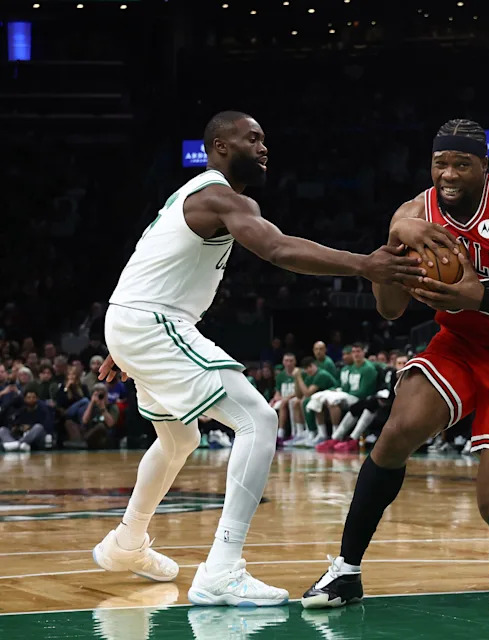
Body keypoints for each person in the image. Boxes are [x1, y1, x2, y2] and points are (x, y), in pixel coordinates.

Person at [91, 111, 420, 607]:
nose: (264, 147)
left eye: (265, 138)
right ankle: (222, 569)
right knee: (259, 420)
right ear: (221, 145)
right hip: (150, 321)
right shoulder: (219, 195)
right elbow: (278, 248)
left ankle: (127, 542)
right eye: (253, 138)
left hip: (140, 319)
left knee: (179, 436)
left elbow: (149, 259)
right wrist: (364, 264)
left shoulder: (197, 195)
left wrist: (126, 341)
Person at [300, 119, 489, 609]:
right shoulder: (412, 215)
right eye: (440, 163)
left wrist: (484, 297)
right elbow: (390, 309)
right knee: (398, 430)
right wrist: (390, 250)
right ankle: (345, 571)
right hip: (460, 344)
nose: (448, 174)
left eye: (461, 164)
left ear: (484, 166)